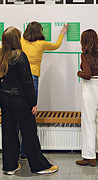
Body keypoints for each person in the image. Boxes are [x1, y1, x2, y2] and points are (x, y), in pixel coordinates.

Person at [0, 26, 58, 175]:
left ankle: (10, 166)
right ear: (16, 40)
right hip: (20, 100)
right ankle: (39, 166)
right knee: (29, 132)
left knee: (9, 132)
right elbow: (27, 82)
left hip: (4, 98)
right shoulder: (19, 56)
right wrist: (33, 103)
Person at [18, 21, 69, 159]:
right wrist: (61, 33)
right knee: (30, 115)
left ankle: (14, 151)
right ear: (39, 32)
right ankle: (24, 152)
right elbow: (56, 45)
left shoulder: (20, 41)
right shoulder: (41, 43)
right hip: (33, 79)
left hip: (19, 79)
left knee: (18, 115)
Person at [75, 29, 98, 167]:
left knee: (88, 121)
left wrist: (79, 72)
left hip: (90, 87)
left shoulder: (85, 54)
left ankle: (89, 156)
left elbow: (87, 75)